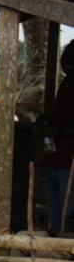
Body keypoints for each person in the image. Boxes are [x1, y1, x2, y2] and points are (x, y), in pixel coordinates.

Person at [42, 41, 74, 234]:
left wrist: (58, 130)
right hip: (55, 159)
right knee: (56, 217)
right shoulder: (66, 84)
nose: (68, 63)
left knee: (68, 218)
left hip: (70, 163)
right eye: (67, 58)